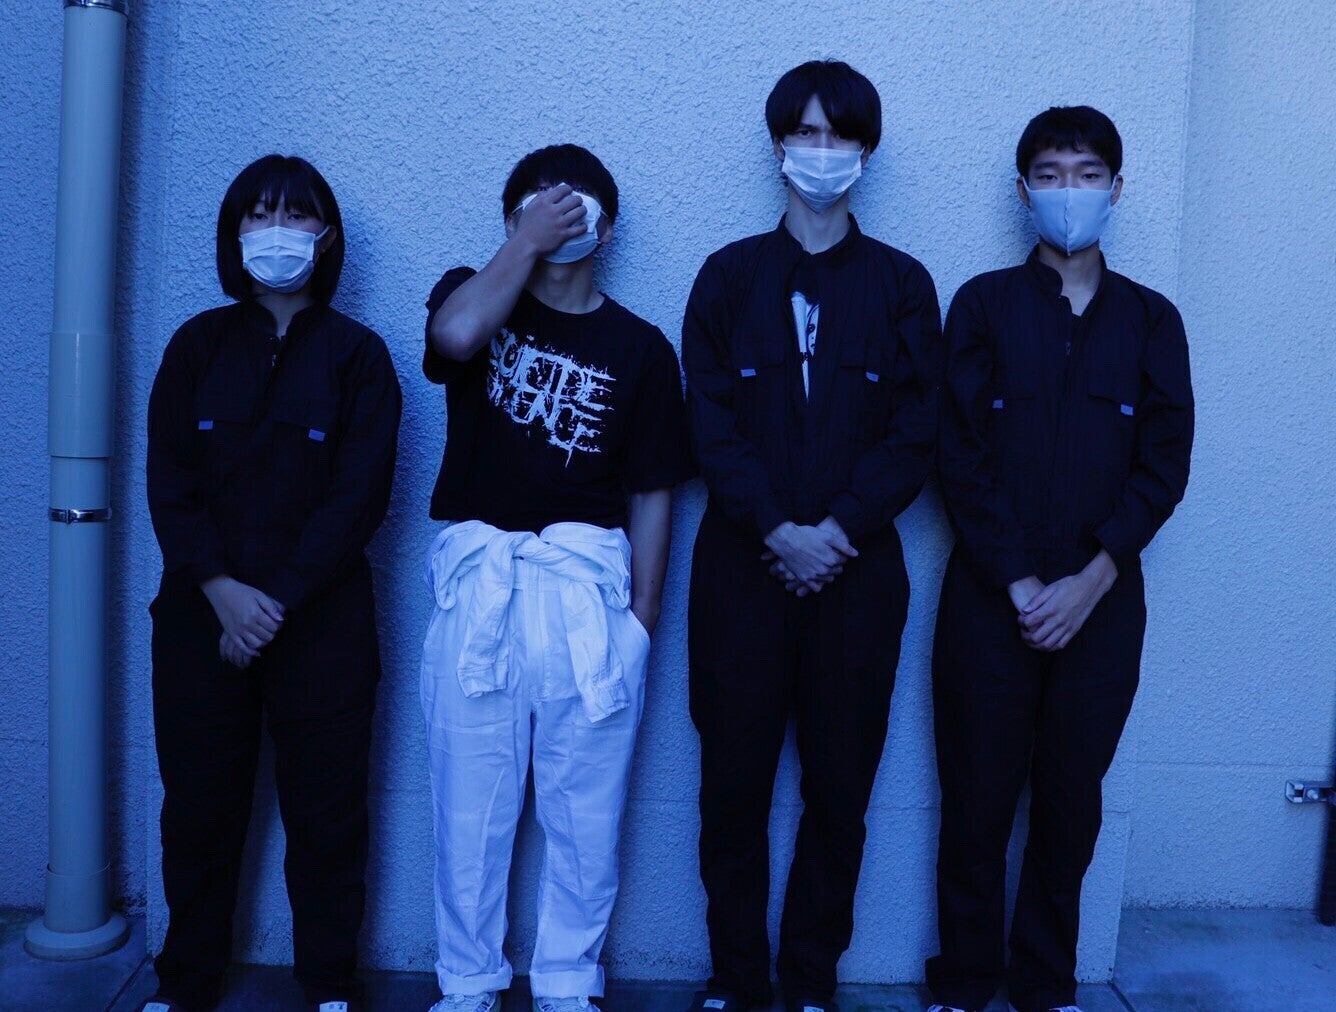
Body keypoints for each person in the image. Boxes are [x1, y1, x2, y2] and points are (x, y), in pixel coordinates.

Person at [681, 60, 942, 1012]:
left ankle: (809, 981)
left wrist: (835, 529)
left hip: (857, 574)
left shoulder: (903, 284)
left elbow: (918, 427)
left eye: (839, 136)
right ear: (778, 146)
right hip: (740, 569)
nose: (821, 152)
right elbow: (709, 421)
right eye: (805, 133)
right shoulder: (727, 275)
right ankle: (737, 981)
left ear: (865, 151)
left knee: (840, 792)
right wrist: (776, 527)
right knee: (732, 788)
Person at [925, 107, 1194, 1012]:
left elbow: (1165, 463)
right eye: (1049, 175)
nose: (1067, 192)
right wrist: (1019, 580)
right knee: (975, 798)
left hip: (1103, 598)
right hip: (989, 594)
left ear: (1117, 188)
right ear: (1023, 191)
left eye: (1086, 175)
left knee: (1071, 800)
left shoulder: (1152, 320)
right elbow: (957, 453)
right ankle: (963, 982)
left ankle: (1045, 985)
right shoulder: (982, 306)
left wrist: (1092, 578)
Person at [419, 143, 693, 1012]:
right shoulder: (472, 293)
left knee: (586, 812)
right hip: (483, 579)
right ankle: (468, 982)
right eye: (539, 204)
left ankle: (570, 983)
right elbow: (454, 339)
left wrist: (642, 619)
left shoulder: (641, 348)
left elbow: (654, 490)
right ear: (512, 219)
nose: (559, 214)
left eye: (575, 206)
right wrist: (524, 243)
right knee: (469, 806)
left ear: (606, 230)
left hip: (586, 593)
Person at [144, 155, 402, 1012]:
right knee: (198, 812)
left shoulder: (359, 357)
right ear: (234, 233)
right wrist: (222, 590)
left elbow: (359, 497)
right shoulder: (195, 347)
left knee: (328, 815)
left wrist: (275, 601)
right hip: (200, 616)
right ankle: (186, 983)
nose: (277, 230)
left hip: (322, 624)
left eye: (296, 214)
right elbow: (169, 484)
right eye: (259, 215)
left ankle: (329, 985)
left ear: (326, 237)